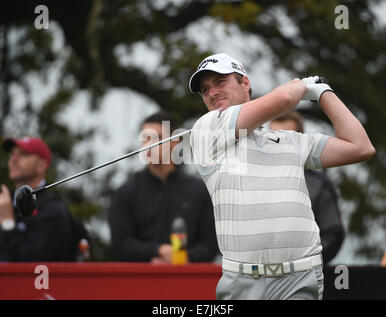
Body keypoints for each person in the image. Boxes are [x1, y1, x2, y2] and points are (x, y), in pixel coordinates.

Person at [188, 53, 375, 300]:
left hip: (299, 279)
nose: (212, 92)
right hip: (242, 283)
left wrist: (323, 92)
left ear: (245, 83)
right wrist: (302, 86)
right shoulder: (205, 130)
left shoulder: (289, 140)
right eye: (204, 90)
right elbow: (285, 98)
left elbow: (360, 147)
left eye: (219, 82)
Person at [108, 110, 219, 263]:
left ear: (176, 141)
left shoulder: (199, 190)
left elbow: (211, 244)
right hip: (140, 281)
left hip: (190, 281)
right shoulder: (126, 192)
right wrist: (157, 251)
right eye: (145, 138)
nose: (150, 144)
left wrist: (183, 259)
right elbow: (120, 244)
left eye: (158, 138)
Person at [270, 111, 345, 265]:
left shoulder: (318, 186)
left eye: (286, 138)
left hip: (306, 277)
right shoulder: (252, 178)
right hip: (256, 277)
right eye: (272, 137)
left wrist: (302, 264)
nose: (278, 143)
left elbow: (332, 235)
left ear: (300, 141)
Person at [0, 136, 88, 261]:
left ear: (41, 165)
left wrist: (8, 223)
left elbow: (32, 267)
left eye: (23, 154)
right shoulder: (5, 202)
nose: (13, 159)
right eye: (12, 154)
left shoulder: (52, 211)